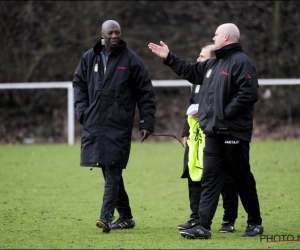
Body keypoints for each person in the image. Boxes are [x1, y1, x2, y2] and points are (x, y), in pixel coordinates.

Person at [148, 23, 263, 239]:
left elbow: (248, 94)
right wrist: (168, 57)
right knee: (210, 178)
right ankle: (203, 226)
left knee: (241, 177)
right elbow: (190, 71)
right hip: (213, 132)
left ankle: (255, 222)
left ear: (226, 37)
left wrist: (222, 114)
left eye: (216, 34)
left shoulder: (242, 62)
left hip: (233, 133)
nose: (214, 36)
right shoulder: (212, 64)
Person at [73, 20, 156, 233]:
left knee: (112, 169)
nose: (114, 36)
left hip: (119, 125)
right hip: (94, 123)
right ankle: (126, 217)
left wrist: (146, 121)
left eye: (117, 32)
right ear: (102, 34)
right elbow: (79, 85)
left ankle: (106, 217)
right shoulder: (89, 58)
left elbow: (145, 92)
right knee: (108, 168)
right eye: (110, 33)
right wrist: (82, 111)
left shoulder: (131, 59)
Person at [178, 43, 239, 233]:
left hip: (216, 134)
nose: (198, 59)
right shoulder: (197, 80)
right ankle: (196, 217)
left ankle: (228, 220)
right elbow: (190, 107)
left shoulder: (222, 80)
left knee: (226, 178)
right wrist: (185, 131)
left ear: (213, 59)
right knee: (193, 173)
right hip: (196, 136)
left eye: (202, 56)